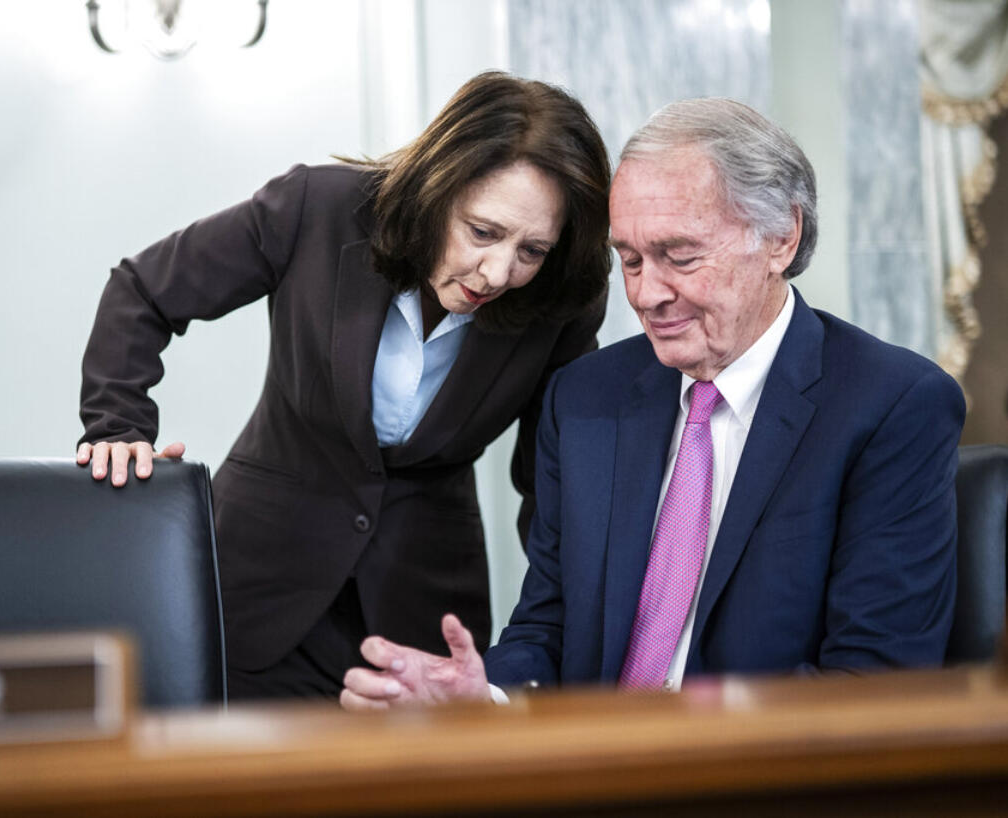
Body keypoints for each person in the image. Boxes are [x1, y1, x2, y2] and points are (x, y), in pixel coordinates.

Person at [340, 97, 965, 710]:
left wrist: (669, 749)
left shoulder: (891, 406)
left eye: (680, 256)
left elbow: (873, 681)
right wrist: (485, 697)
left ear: (781, 237)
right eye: (630, 260)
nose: (647, 294)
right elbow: (549, 632)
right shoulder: (584, 399)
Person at [75, 72, 613, 700]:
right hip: (258, 589)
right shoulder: (319, 208)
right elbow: (143, 292)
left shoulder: (561, 300)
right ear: (437, 186)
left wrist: (571, 631)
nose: (497, 272)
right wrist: (119, 426)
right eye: (483, 232)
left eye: (532, 250)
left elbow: (548, 483)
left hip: (422, 618)